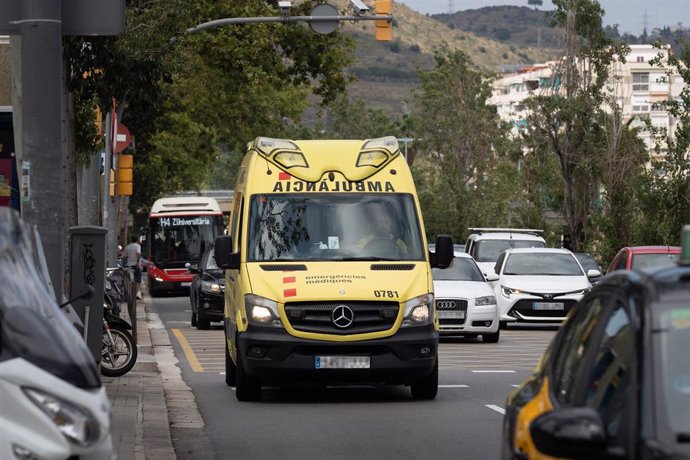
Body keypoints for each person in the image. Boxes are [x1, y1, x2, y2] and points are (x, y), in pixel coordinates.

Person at [123, 235, 142, 299]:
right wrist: (137, 262)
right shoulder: (138, 246)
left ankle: (130, 294)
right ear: (137, 240)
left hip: (129, 266)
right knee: (138, 280)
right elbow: (138, 254)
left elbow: (124, 256)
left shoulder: (127, 247)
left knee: (130, 281)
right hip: (136, 266)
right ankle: (138, 293)